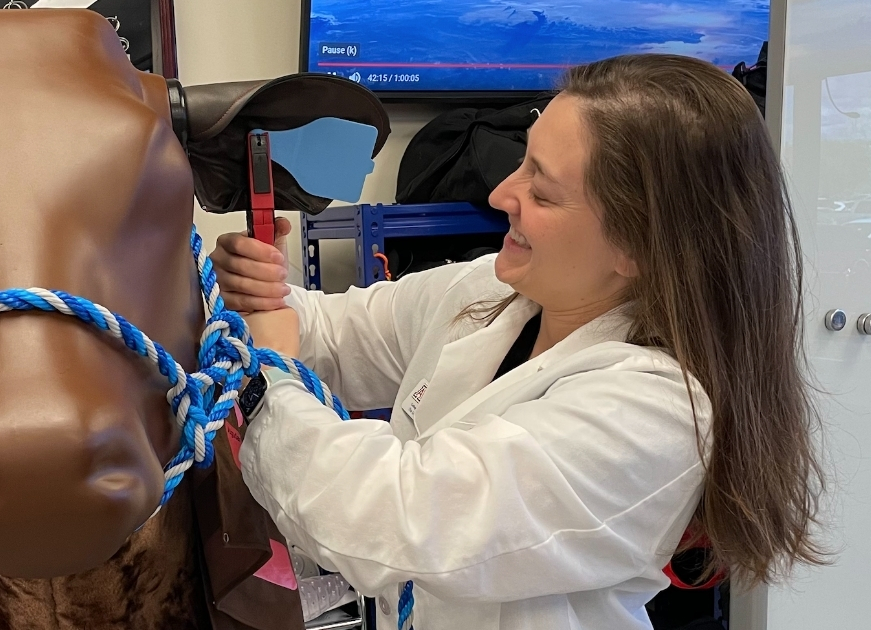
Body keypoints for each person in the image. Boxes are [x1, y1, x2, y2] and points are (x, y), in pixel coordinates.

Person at [211, 54, 826, 630]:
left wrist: (264, 377)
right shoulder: (494, 289)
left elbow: (396, 517)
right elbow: (338, 334)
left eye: (543, 189)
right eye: (523, 162)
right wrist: (265, 294)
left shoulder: (655, 415)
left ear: (637, 246)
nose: (502, 193)